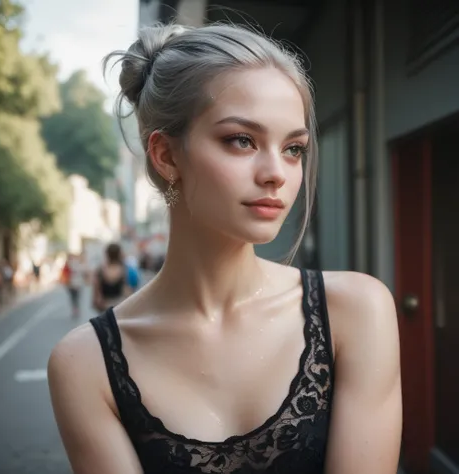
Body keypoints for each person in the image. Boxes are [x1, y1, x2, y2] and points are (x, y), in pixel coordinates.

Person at [48, 23, 402, 474]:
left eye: (294, 148)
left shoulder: (356, 312)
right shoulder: (84, 364)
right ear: (166, 155)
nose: (276, 173)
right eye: (242, 140)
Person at [91, 243, 130, 313]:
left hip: (105, 303)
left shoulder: (101, 269)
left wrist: (96, 298)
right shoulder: (123, 268)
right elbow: (125, 287)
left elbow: (96, 286)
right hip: (119, 302)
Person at [64, 254, 87, 318]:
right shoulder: (69, 265)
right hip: (73, 284)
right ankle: (76, 309)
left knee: (74, 298)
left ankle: (75, 309)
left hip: (74, 284)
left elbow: (83, 273)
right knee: (75, 298)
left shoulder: (70, 265)